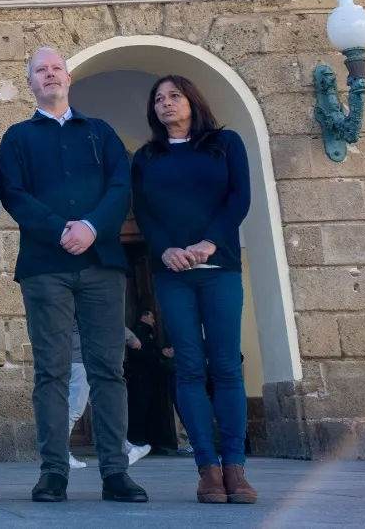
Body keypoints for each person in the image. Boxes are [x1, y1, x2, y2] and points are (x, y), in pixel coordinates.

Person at [0, 47, 147, 504]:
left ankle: (115, 472)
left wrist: (91, 227)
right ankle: (53, 471)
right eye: (40, 70)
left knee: (108, 371)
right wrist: (60, 229)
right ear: (30, 83)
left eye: (56, 68)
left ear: (68, 77)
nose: (50, 75)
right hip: (45, 269)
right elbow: (13, 194)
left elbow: (121, 186)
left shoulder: (101, 132)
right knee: (51, 372)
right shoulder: (18, 137)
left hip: (102, 265)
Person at [131, 75, 256, 504]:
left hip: (219, 268)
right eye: (159, 99)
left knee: (226, 365)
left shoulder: (225, 144)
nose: (166, 103)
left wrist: (210, 242)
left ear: (192, 101)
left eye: (174, 96)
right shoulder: (147, 157)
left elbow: (239, 198)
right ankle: (208, 470)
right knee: (188, 367)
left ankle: (235, 468)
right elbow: (144, 212)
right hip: (173, 273)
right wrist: (164, 249)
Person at [66, 327, 151, 470]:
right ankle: (62, 454)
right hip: (80, 358)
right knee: (75, 408)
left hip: (78, 357)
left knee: (102, 407)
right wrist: (130, 337)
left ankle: (125, 448)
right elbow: (104, 319)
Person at [125, 308, 176, 453]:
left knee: (147, 409)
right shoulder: (141, 331)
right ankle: (141, 441)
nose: (154, 321)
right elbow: (144, 353)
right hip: (142, 377)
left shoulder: (144, 331)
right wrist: (161, 353)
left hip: (145, 377)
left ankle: (146, 441)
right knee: (143, 409)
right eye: (152, 318)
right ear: (145, 316)